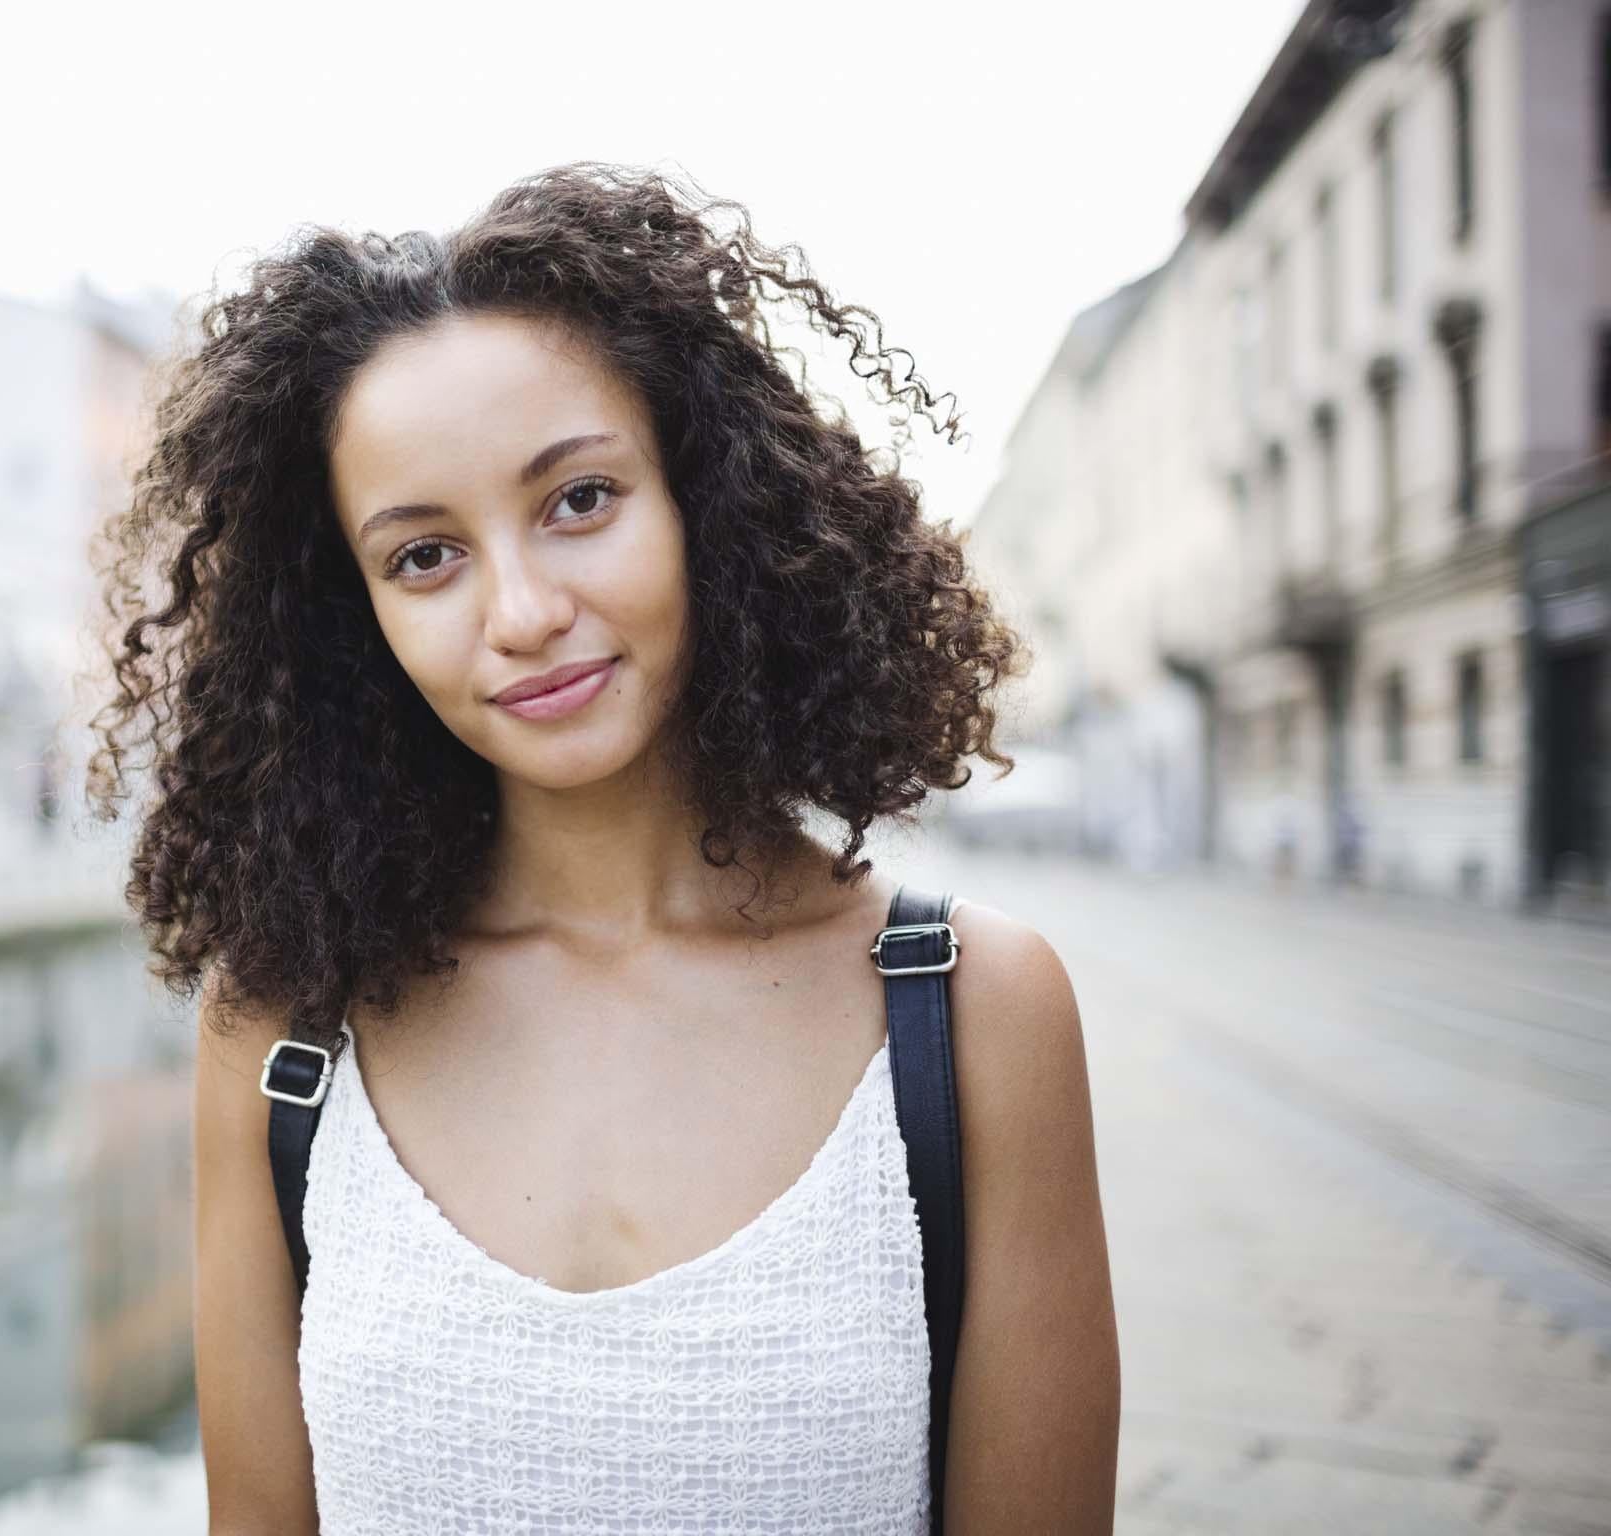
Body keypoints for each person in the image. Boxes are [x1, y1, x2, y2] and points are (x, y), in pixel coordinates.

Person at [87, 162, 1119, 1535]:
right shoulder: (282, 1036)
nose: (521, 611)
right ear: (351, 623)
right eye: (422, 558)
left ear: (708, 496)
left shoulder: (972, 1015)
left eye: (579, 501)